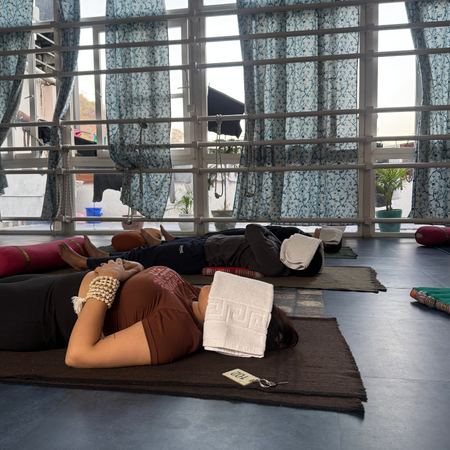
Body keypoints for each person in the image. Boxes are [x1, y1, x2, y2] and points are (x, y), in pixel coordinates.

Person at [0, 260, 298, 368]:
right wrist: (132, 270)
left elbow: (80, 355)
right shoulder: (194, 295)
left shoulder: (178, 331)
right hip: (49, 285)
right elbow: (142, 297)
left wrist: (109, 282)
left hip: (40, 315)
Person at [58, 224, 324, 277]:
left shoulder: (274, 261)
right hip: (202, 249)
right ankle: (101, 257)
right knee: (147, 254)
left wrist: (269, 234)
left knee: (144, 258)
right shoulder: (277, 255)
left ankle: (86, 265)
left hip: (200, 255)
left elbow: (254, 229)